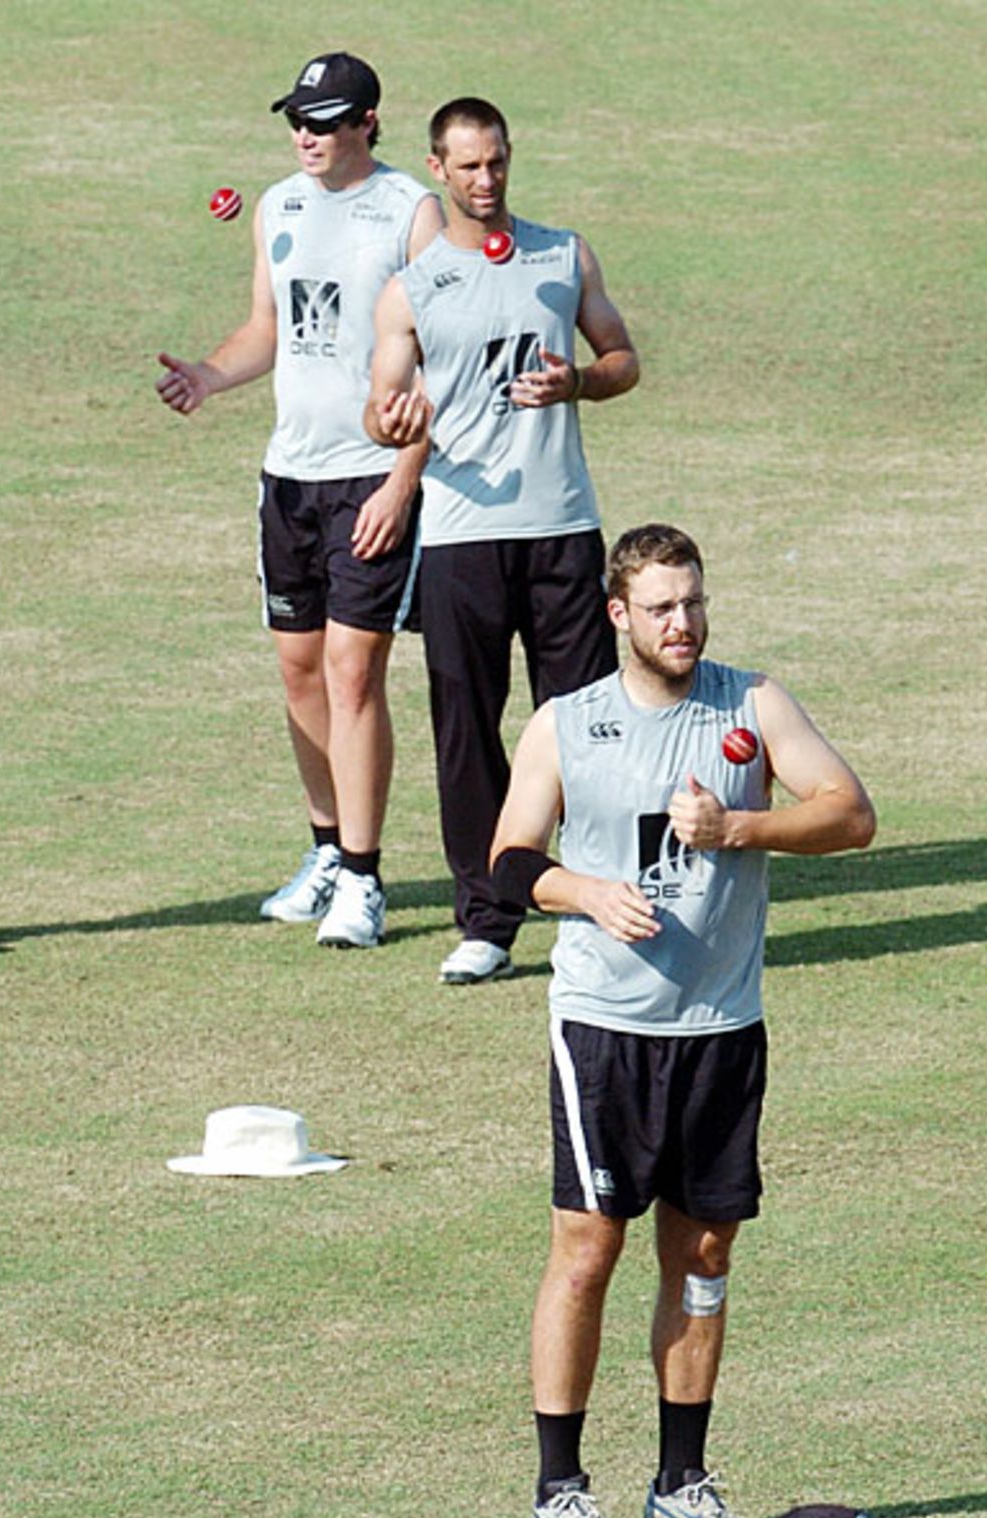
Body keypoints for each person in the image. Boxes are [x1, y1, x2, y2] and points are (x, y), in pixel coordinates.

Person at [489, 524, 876, 1518]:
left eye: (693, 601)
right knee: (587, 1248)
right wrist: (584, 892)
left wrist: (737, 827)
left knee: (702, 1256)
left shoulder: (749, 703)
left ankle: (680, 1487)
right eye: (660, 606)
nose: (682, 622)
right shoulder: (565, 724)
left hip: (719, 1028)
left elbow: (847, 814)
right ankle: (559, 1492)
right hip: (603, 1029)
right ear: (618, 615)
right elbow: (506, 862)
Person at [156, 53, 442, 949]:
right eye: (298, 119)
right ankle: (325, 850)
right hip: (291, 480)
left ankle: (364, 876)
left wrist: (404, 479)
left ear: (367, 121)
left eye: (323, 120)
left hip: (371, 478)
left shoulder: (411, 212)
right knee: (299, 672)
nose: (305, 135)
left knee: (355, 676)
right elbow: (268, 331)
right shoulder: (278, 206)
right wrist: (209, 374)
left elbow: (442, 356)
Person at [365, 97, 639, 985]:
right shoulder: (411, 290)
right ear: (437, 169)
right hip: (460, 536)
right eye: (468, 167)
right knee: (467, 731)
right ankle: (487, 918)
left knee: (590, 726)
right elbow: (382, 407)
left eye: (498, 164)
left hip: (561, 528)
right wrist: (392, 420)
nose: (486, 182)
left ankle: (598, 906)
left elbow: (623, 358)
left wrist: (582, 384)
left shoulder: (564, 253)